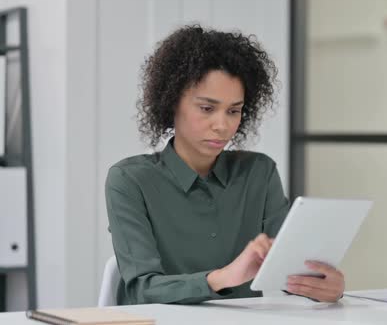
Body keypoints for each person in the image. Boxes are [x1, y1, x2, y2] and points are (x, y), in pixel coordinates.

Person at [105, 25, 345, 305]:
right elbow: (142, 290)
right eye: (207, 108)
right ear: (172, 103)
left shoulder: (259, 173)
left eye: (234, 111)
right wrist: (225, 277)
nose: (222, 125)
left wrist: (325, 286)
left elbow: (288, 272)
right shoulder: (130, 180)